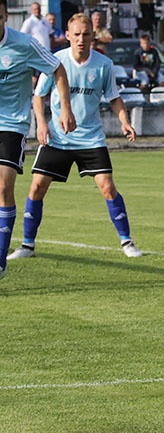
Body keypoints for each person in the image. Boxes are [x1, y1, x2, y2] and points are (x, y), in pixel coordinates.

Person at [8, 13, 141, 262]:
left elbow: (114, 97)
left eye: (86, 34)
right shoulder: (56, 61)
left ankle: (127, 241)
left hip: (90, 138)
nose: (81, 39)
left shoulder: (103, 64)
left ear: (93, 36)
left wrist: (124, 121)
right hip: (58, 137)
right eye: (76, 34)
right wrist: (41, 125)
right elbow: (39, 96)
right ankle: (27, 245)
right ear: (67, 36)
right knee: (37, 187)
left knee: (107, 187)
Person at [0, 0, 75, 281]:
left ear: (7, 16)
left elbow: (57, 68)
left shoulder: (24, 44)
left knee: (3, 185)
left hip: (11, 124)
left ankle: (0, 261)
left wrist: (65, 108)